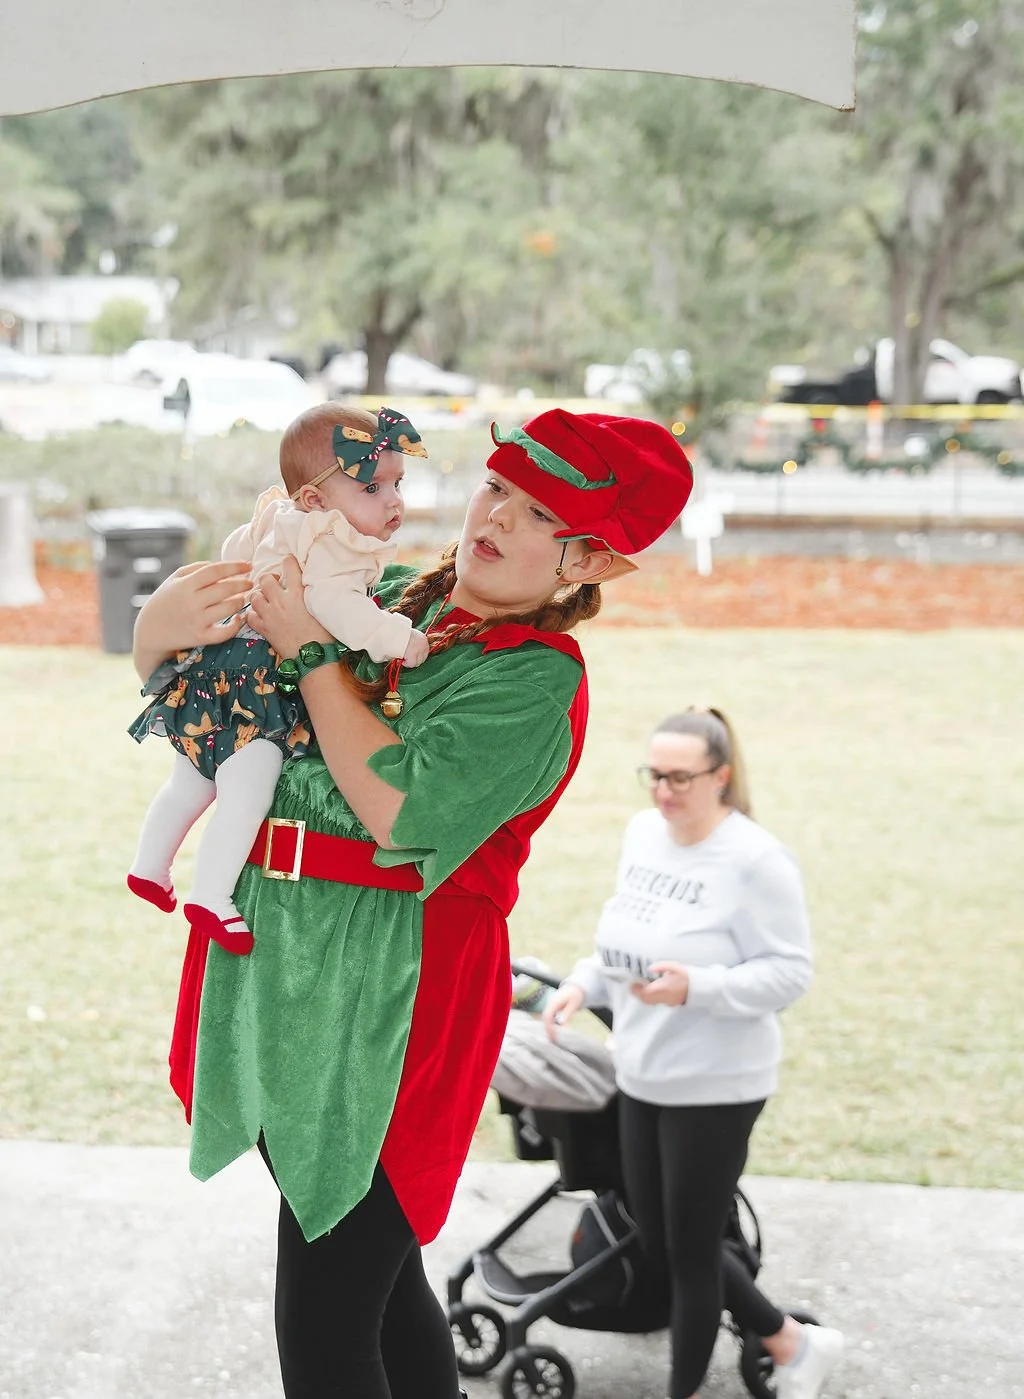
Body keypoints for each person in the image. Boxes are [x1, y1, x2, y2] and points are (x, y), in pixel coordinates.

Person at [130, 407, 693, 1399]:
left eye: (538, 514)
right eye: (498, 490)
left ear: (592, 563)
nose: (499, 518)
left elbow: (396, 809)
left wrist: (308, 652)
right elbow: (222, 714)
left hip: (392, 1001)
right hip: (282, 967)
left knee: (323, 1326)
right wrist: (157, 639)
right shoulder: (383, 593)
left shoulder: (532, 677)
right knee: (377, 1297)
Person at [543, 708, 844, 1399]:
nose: (663, 792)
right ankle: (792, 1342)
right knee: (661, 1237)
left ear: (722, 776)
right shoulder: (644, 833)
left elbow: (790, 972)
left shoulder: (756, 860)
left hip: (717, 1084)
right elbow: (626, 933)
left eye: (680, 777)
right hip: (644, 1067)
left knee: (691, 1256)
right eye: (654, 775)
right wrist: (584, 980)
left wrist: (697, 987)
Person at [126, 403, 431, 953]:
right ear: (315, 499)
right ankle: (210, 897)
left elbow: (236, 555)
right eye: (372, 487)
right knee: (249, 789)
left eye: (397, 484)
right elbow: (339, 609)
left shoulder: (284, 521)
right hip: (259, 687)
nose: (393, 501)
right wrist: (397, 638)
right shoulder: (330, 544)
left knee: (192, 779)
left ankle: (149, 866)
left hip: (213, 677)